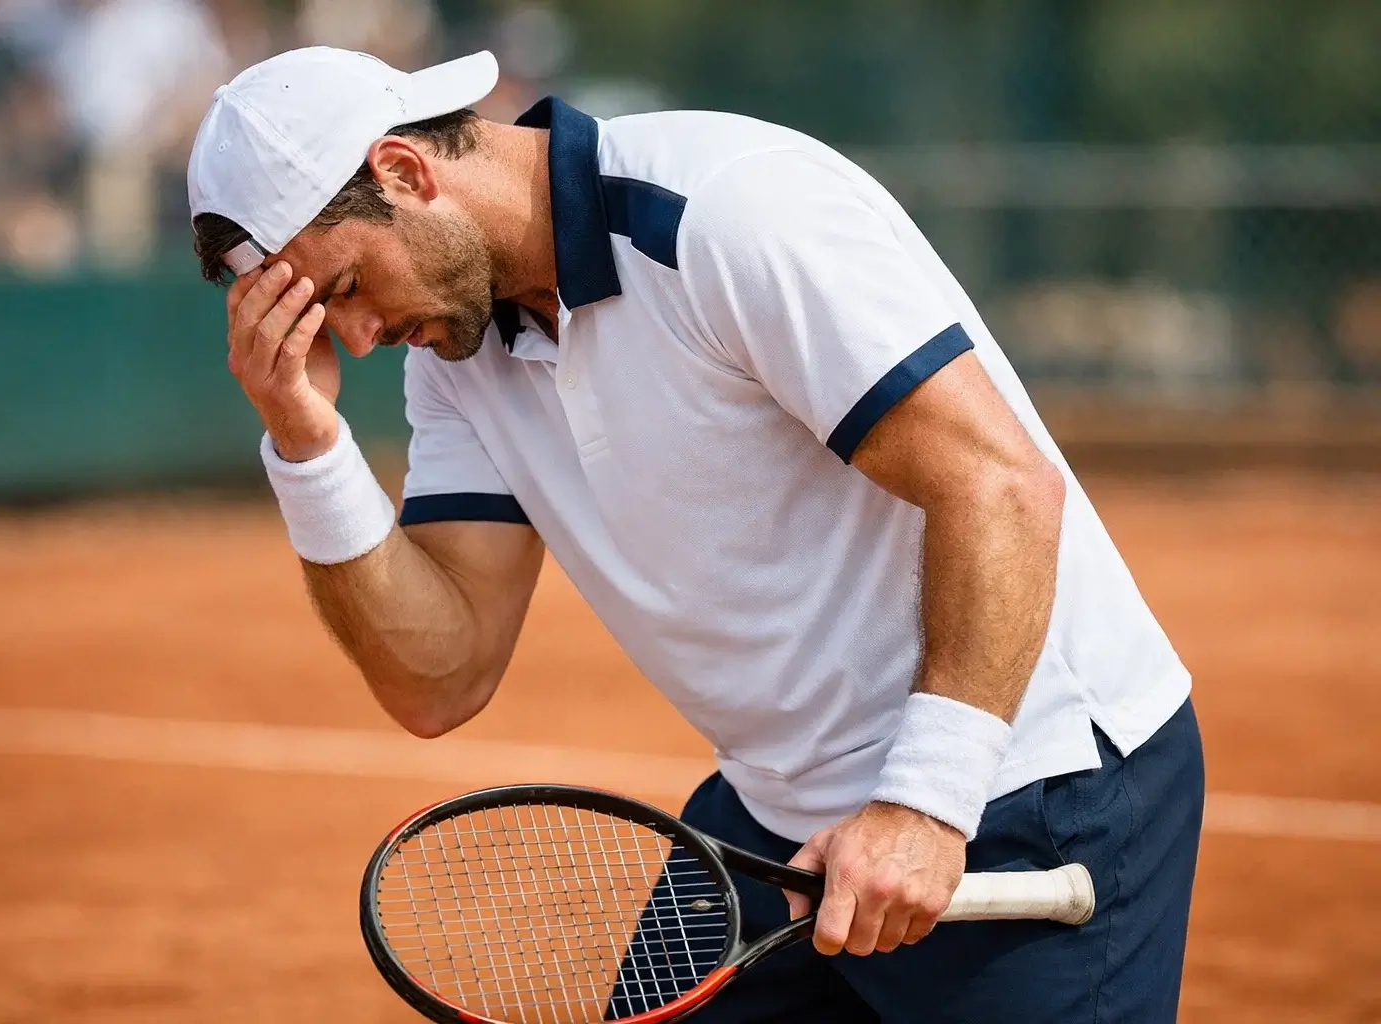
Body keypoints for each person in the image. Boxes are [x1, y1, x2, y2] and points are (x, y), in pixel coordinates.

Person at [185, 46, 1205, 1023]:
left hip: (1027, 778)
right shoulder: (455, 360)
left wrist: (926, 804)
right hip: (775, 820)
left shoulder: (725, 213)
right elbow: (438, 677)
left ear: (403, 170)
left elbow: (1000, 481)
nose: (353, 341)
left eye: (348, 290)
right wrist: (308, 444)